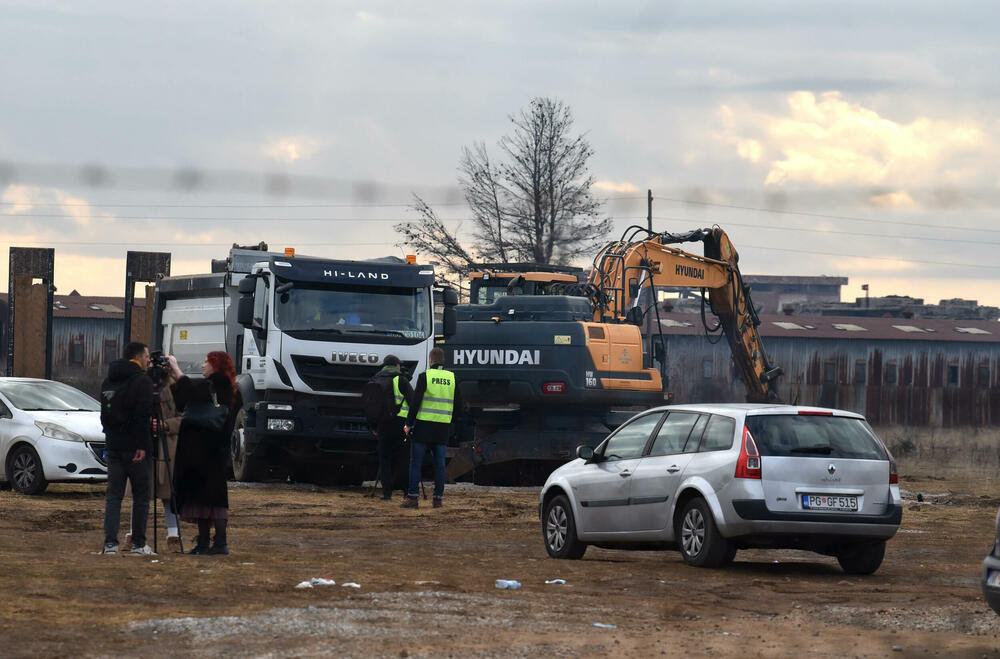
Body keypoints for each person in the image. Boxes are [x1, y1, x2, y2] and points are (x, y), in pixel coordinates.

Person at [169, 351, 240, 555]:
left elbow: (193, 392)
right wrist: (175, 378)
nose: (202, 366)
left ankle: (218, 542)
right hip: (204, 451)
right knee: (202, 496)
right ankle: (205, 542)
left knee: (212, 497)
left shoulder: (219, 383)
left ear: (216, 365)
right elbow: (185, 396)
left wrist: (177, 370)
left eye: (207, 362)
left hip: (207, 450)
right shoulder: (217, 385)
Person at [101, 342, 156, 556]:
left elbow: (104, 415)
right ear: (138, 357)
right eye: (147, 356)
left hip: (114, 445)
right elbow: (142, 416)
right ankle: (139, 544)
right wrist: (142, 445)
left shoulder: (109, 380)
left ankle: (110, 544)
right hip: (135, 448)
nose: (149, 360)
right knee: (141, 496)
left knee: (114, 496)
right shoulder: (141, 381)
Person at [124, 355, 183, 552]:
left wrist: (165, 425)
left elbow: (183, 417)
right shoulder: (139, 385)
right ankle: (134, 534)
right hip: (143, 443)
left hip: (168, 447)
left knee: (169, 494)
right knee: (141, 492)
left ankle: (173, 536)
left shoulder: (174, 388)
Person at [401, 347, 460, 509]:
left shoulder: (425, 376)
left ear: (431, 360)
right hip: (442, 429)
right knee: (440, 464)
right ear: (443, 361)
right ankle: (437, 499)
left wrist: (408, 424)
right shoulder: (452, 377)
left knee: (416, 463)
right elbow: (459, 406)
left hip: (423, 428)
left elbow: (415, 403)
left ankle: (413, 498)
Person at [369, 355, 413, 501]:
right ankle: (406, 491)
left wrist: (373, 426)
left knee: (385, 460)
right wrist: (411, 424)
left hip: (382, 424)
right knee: (403, 459)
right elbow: (413, 403)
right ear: (396, 365)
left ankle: (386, 493)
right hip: (401, 424)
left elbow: (370, 406)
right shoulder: (401, 380)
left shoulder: (375, 379)